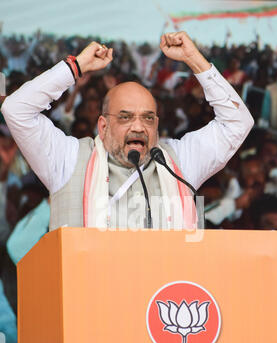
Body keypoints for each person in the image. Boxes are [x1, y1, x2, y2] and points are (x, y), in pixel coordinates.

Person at [1, 31, 254, 231]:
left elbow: (237, 123)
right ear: (103, 126)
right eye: (125, 117)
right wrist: (74, 68)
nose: (138, 126)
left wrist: (194, 60)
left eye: (147, 118)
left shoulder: (179, 161)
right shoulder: (67, 158)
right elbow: (16, 109)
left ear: (157, 124)